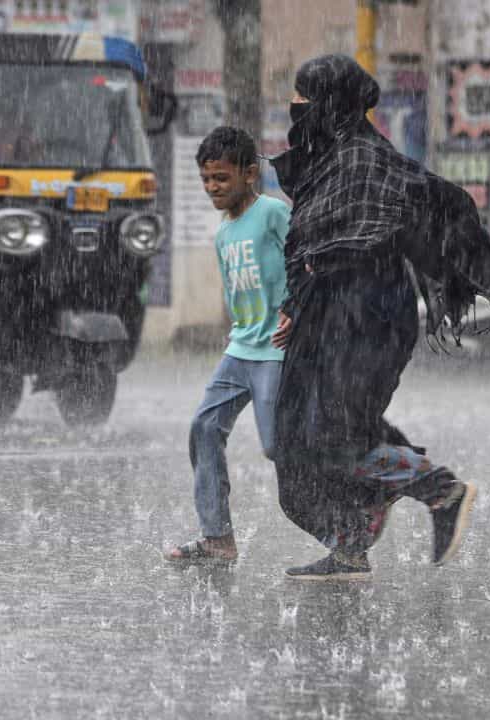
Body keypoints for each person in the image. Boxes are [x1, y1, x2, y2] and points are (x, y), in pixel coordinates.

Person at [268, 55, 490, 580]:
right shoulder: (327, 163)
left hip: (367, 318)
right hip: (326, 318)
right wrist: (295, 306)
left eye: (305, 98)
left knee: (334, 438)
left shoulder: (365, 161)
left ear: (330, 102)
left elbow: (373, 229)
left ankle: (441, 490)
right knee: (293, 441)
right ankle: (349, 545)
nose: (297, 108)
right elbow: (310, 249)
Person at [166, 127, 291, 564]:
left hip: (276, 349)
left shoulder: (273, 214)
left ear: (250, 174)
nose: (212, 188)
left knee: (278, 445)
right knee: (203, 428)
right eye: (206, 180)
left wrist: (297, 311)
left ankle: (350, 511)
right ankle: (217, 538)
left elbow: (306, 261)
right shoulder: (223, 233)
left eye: (221, 178)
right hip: (240, 349)